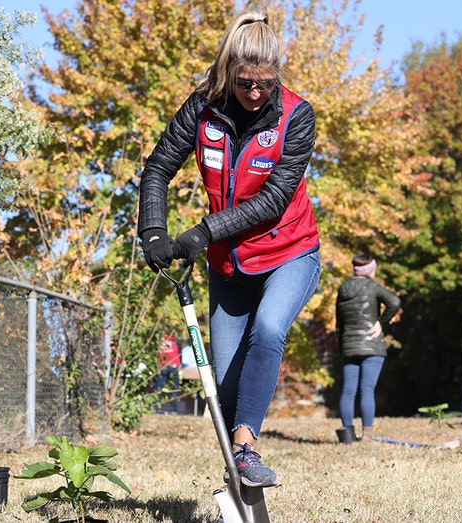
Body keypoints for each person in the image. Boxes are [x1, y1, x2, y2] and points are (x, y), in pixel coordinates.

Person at [137, 8, 320, 488]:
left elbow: (275, 199)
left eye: (264, 83)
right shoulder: (202, 107)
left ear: (276, 74)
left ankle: (245, 446)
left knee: (269, 327)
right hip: (230, 267)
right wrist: (153, 231)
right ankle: (241, 482)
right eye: (244, 83)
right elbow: (157, 169)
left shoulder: (296, 116)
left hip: (289, 253)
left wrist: (201, 231)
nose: (255, 93)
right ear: (228, 72)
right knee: (225, 385)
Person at [335, 254, 401, 442]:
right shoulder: (372, 287)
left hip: (349, 345)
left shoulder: (343, 289)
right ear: (369, 270)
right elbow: (395, 302)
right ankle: (367, 436)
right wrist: (381, 322)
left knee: (348, 390)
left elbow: (339, 323)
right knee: (367, 389)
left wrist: (343, 347)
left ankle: (347, 435)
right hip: (372, 346)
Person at [155, 334, 182, 413]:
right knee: (174, 390)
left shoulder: (160, 342)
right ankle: (174, 410)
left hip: (162, 367)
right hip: (174, 367)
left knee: (158, 390)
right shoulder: (175, 342)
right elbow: (179, 354)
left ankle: (156, 409)